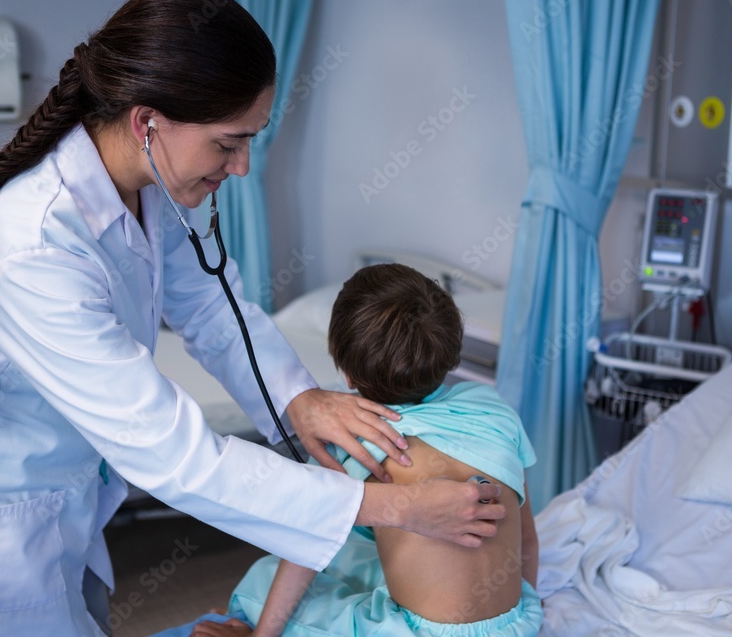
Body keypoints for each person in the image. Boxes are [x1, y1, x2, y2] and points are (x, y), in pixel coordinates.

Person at [0, 0, 505, 637]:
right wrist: (397, 507)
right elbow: (177, 454)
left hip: (58, 508)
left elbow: (212, 305)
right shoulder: (33, 244)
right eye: (227, 143)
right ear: (147, 122)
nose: (240, 168)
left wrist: (299, 399)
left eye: (251, 141)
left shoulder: (147, 186)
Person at [179, 263, 543, 637]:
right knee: (355, 559)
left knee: (265, 579)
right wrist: (528, 606)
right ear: (452, 353)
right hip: (518, 623)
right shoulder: (495, 411)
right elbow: (527, 539)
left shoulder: (353, 439)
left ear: (347, 376)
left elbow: (303, 550)